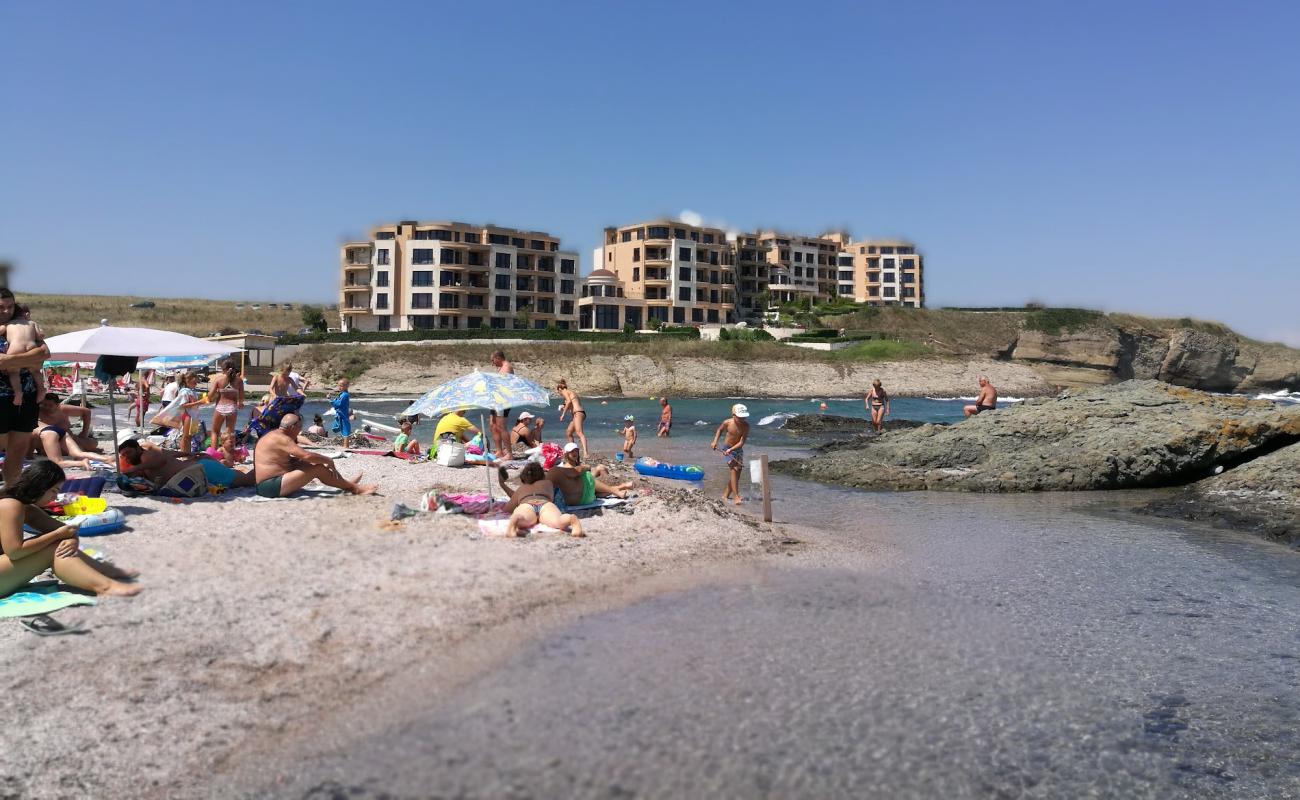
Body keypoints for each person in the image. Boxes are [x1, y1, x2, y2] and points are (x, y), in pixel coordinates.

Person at [0, 460, 141, 599]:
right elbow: (15, 551)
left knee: (60, 544)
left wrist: (71, 539)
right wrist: (57, 535)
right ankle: (105, 586)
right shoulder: (10, 505)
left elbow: (66, 530)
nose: (55, 497)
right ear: (40, 487)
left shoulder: (27, 508)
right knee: (55, 547)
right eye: (54, 491)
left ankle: (105, 571)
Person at [253, 414, 376, 498]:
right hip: (269, 486)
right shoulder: (283, 439)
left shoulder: (273, 434)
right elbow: (306, 455)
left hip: (270, 483)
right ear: (292, 427)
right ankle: (355, 488)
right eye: (299, 428)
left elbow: (281, 459)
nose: (299, 432)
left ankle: (346, 484)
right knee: (318, 468)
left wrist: (299, 460)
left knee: (308, 463)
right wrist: (328, 460)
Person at [0, 289, 52, 486]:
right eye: (1, 307)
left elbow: (45, 353)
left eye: (10, 306)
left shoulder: (22, 323)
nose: (6, 311)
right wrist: (29, 358)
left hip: (27, 394)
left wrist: (10, 360)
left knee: (19, 448)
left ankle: (11, 491)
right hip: (2, 395)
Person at [120, 437, 256, 491]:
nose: (126, 457)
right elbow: (169, 455)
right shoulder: (143, 461)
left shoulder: (146, 456)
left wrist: (135, 468)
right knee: (241, 477)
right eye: (124, 455)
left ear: (138, 448)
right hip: (199, 470)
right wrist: (189, 454)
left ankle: (267, 464)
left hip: (204, 471)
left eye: (129, 452)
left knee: (249, 480)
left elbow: (161, 460)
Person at [497, 462, 582, 538]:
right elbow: (552, 497)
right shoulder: (548, 483)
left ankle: (514, 520)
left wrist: (502, 485)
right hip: (545, 504)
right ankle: (571, 519)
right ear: (542, 475)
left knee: (522, 518)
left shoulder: (521, 489)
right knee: (557, 521)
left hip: (527, 504)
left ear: (523, 477)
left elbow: (509, 507)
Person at [35, 394, 113, 469]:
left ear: (57, 405)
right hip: (53, 439)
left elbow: (86, 412)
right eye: (44, 405)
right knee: (77, 452)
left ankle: (103, 457)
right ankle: (102, 457)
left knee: (93, 444)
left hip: (66, 437)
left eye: (50, 405)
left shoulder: (63, 409)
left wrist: (84, 432)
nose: (46, 408)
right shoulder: (37, 412)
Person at [546, 442, 634, 505]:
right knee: (586, 477)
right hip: (580, 495)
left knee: (596, 492)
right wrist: (587, 468)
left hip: (584, 494)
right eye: (571, 451)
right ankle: (616, 489)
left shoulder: (576, 465)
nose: (574, 453)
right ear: (566, 454)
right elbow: (577, 471)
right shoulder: (564, 467)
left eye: (576, 451)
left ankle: (621, 487)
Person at [2, 304, 46, 408]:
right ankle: (41, 389)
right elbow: (40, 335)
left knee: (13, 372)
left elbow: (1, 330)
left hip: (16, 347)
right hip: (32, 346)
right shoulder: (32, 323)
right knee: (35, 371)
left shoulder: (8, 323)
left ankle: (18, 393)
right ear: (26, 314)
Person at [711, 403, 750, 505]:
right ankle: (736, 496)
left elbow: (742, 442)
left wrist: (732, 449)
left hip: (738, 450)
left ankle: (725, 494)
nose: (742, 419)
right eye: (740, 417)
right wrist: (715, 441)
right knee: (734, 469)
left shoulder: (746, 426)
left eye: (744, 417)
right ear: (733, 415)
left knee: (738, 474)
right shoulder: (727, 422)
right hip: (727, 448)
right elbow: (719, 430)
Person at [208, 359, 244, 446]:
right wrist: (240, 402)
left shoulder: (218, 379)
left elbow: (210, 395)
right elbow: (242, 398)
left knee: (215, 432)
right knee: (230, 433)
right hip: (232, 407)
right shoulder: (239, 381)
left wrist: (217, 394)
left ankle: (214, 455)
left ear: (223, 369)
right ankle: (229, 454)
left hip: (220, 406)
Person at [488, 350, 514, 458]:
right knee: (492, 425)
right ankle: (499, 451)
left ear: (498, 358)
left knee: (501, 426)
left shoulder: (507, 367)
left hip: (503, 401)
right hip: (496, 400)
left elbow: (503, 384)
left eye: (493, 360)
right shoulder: (500, 368)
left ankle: (509, 453)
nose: (492, 363)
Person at [556, 378, 589, 458]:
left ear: (560, 389)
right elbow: (570, 404)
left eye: (558, 391)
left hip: (578, 413)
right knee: (569, 432)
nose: (559, 393)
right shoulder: (570, 393)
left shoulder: (565, 392)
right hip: (577, 414)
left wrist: (563, 414)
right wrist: (563, 407)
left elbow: (569, 402)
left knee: (579, 433)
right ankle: (573, 451)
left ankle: (586, 453)